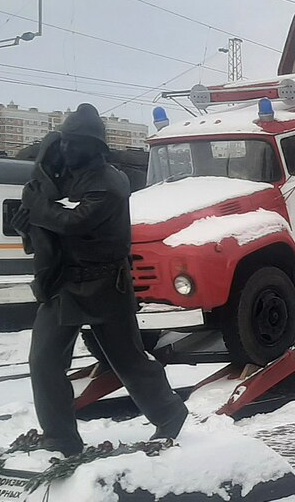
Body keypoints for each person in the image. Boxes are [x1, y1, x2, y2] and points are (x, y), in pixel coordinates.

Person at [11, 103, 187, 456]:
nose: (65, 149)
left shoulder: (110, 183)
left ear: (94, 147)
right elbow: (46, 212)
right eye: (62, 142)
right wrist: (27, 217)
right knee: (43, 360)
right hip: (63, 284)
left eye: (73, 143)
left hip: (104, 285)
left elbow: (73, 223)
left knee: (127, 360)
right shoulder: (64, 175)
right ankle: (60, 439)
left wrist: (37, 207)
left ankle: (170, 414)